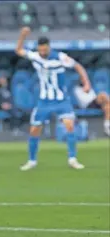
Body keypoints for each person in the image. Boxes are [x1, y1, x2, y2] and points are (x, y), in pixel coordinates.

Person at [15, 27, 90, 171]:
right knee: (34, 130)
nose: (42, 52)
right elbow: (18, 50)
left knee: (69, 125)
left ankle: (72, 159)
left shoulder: (61, 57)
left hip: (61, 100)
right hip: (44, 101)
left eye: (45, 50)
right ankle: (32, 160)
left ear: (49, 47)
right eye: (41, 50)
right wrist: (22, 36)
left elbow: (78, 66)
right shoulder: (35, 56)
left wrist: (86, 83)